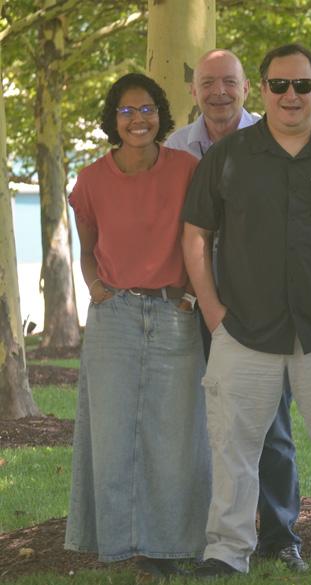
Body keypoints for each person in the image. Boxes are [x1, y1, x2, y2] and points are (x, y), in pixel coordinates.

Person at [180, 43, 311, 579]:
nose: (291, 96)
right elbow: (196, 235)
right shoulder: (227, 158)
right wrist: (212, 311)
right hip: (243, 330)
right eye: (279, 85)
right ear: (262, 90)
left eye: (302, 85)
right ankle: (226, 551)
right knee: (232, 449)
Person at [164, 48, 307, 574]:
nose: (218, 92)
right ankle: (208, 533)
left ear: (248, 89)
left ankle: (279, 534)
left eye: (229, 82)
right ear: (195, 91)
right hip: (195, 305)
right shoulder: (177, 149)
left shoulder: (276, 138)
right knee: (205, 420)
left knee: (272, 421)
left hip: (266, 305)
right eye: (208, 83)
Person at [65, 72, 210, 581]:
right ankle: (117, 540)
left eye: (146, 109)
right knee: (111, 431)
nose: (137, 119)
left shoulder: (187, 170)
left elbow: (204, 240)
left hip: (174, 313)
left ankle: (169, 545)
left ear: (161, 116)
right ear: (113, 120)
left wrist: (192, 295)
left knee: (175, 433)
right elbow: (85, 245)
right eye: (126, 111)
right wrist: (93, 286)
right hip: (114, 318)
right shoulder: (90, 179)